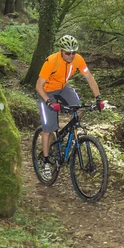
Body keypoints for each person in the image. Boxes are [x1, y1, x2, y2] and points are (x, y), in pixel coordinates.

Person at [35, 35, 104, 179]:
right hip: (46, 91)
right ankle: (46, 162)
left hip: (63, 87)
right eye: (68, 53)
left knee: (79, 108)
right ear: (61, 51)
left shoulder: (78, 59)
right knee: (48, 128)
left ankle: (69, 133)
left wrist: (98, 98)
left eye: (73, 52)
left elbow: (89, 78)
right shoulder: (51, 61)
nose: (71, 56)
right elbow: (38, 86)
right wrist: (49, 102)